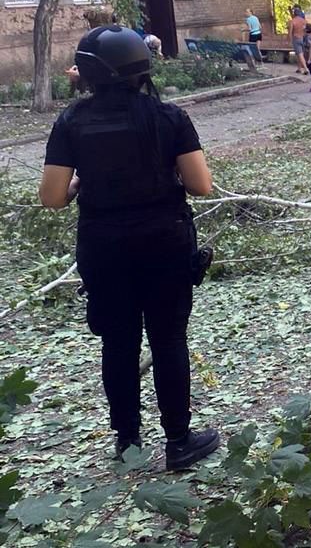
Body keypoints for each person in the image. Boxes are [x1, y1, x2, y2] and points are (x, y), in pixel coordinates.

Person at [39, 25, 220, 471]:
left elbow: (52, 197)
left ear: (88, 73)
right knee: (168, 340)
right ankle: (179, 441)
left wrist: (83, 181)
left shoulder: (71, 122)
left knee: (118, 343)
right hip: (165, 242)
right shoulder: (169, 117)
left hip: (104, 248)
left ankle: (128, 444)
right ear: (142, 67)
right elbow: (200, 185)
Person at [288, 7, 307, 75]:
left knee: (300, 54)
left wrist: (290, 40)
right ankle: (299, 68)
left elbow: (290, 32)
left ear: (294, 14)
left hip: (296, 38)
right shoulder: (304, 21)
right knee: (299, 54)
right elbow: (306, 30)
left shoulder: (292, 21)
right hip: (304, 38)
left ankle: (305, 68)